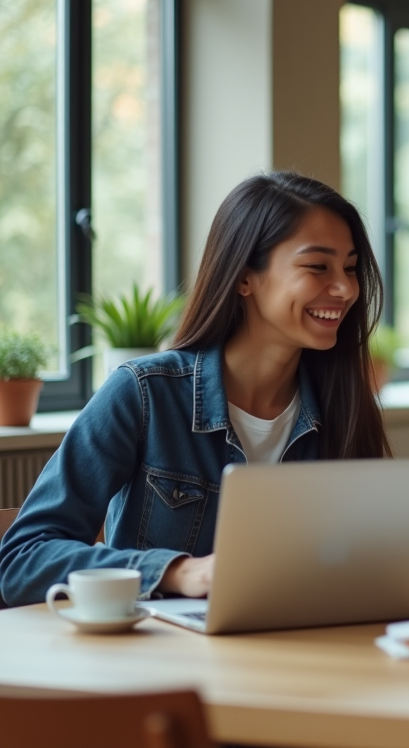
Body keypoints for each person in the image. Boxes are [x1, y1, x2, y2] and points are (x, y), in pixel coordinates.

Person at [0, 171, 389, 606]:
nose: (345, 288)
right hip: (163, 661)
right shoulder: (143, 395)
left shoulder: (345, 405)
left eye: (351, 268)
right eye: (318, 266)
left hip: (302, 652)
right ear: (245, 277)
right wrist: (178, 572)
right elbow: (20, 559)